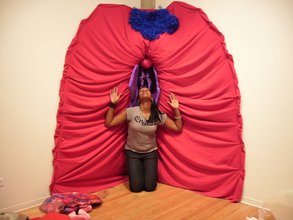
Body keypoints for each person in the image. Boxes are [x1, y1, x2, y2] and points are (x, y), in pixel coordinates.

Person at [105, 76, 182, 193]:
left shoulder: (157, 114)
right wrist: (113, 104)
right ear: (139, 97)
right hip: (132, 153)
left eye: (147, 90)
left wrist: (176, 109)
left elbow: (177, 127)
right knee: (136, 188)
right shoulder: (131, 111)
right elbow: (109, 123)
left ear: (151, 96)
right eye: (141, 91)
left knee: (150, 187)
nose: (144, 91)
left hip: (150, 153)